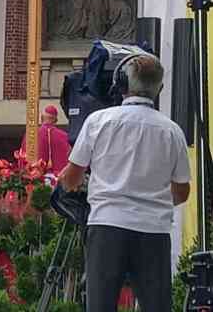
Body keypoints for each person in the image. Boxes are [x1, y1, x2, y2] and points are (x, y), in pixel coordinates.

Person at [59, 54, 191, 312]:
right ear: (160, 89)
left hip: (107, 225)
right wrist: (156, 197)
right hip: (153, 229)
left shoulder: (98, 121)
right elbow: (182, 191)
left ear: (121, 84)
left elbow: (72, 177)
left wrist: (72, 184)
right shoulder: (172, 131)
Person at [19, 105, 71, 174]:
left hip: (36, 177)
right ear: (55, 120)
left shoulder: (31, 134)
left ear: (41, 118)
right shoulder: (65, 136)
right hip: (58, 177)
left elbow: (23, 157)